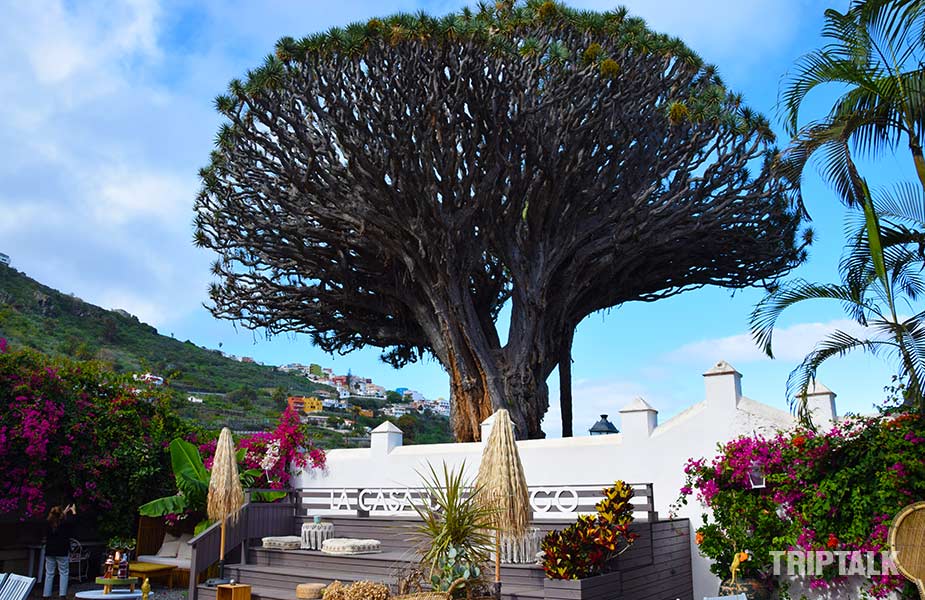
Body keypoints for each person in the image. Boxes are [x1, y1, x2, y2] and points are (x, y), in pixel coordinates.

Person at [43, 503, 77, 598]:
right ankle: (62, 594)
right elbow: (73, 523)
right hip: (62, 551)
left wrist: (64, 513)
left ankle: (46, 594)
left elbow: (58, 520)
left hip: (50, 551)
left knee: (49, 573)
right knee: (64, 572)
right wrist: (73, 512)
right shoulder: (65, 524)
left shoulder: (48, 523)